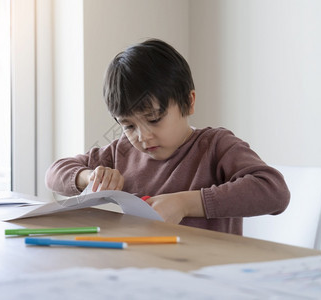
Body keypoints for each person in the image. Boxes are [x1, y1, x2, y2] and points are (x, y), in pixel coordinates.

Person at [45, 38, 290, 235]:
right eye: (129, 126)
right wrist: (89, 177)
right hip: (144, 271)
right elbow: (54, 173)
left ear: (189, 102)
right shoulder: (122, 152)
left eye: (154, 119)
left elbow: (274, 191)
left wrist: (186, 203)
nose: (143, 136)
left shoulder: (215, 146)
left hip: (208, 277)